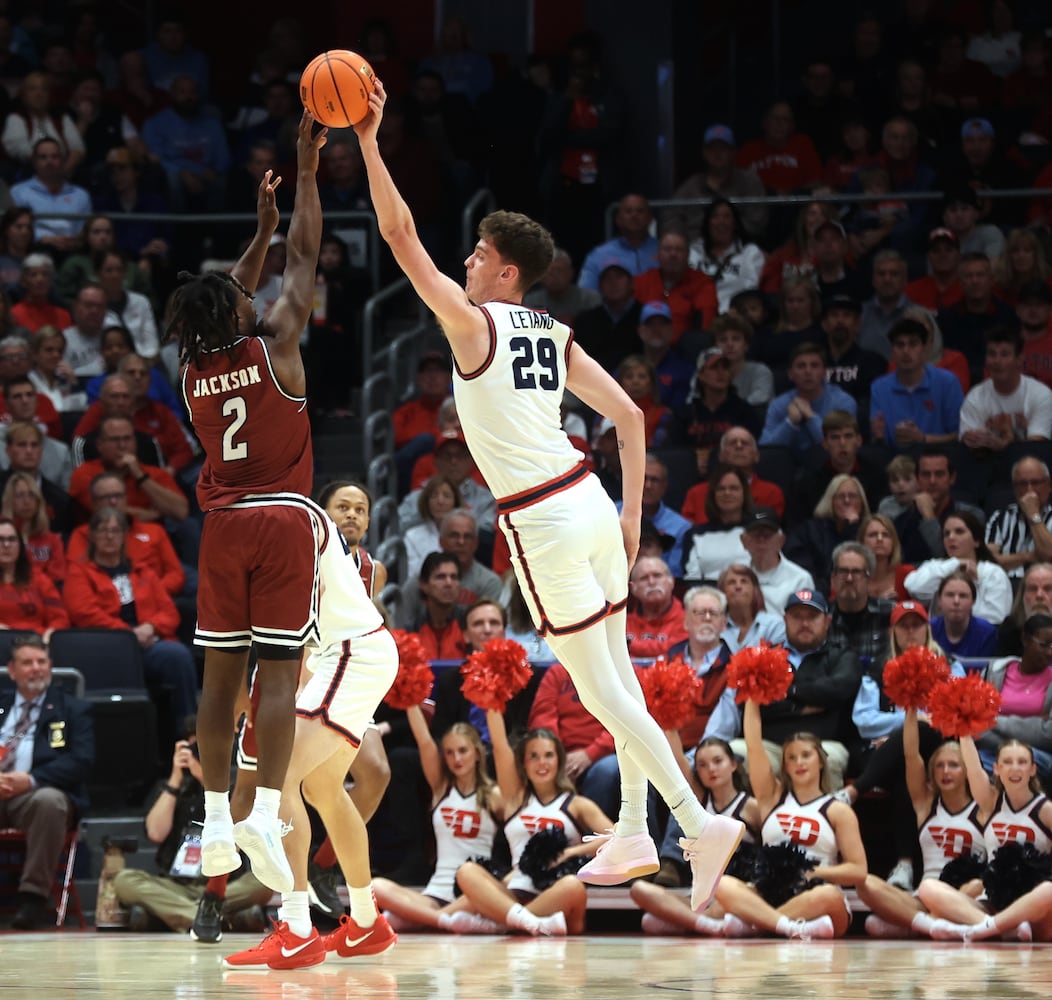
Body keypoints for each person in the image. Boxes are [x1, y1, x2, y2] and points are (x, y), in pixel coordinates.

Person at [357, 81, 744, 905]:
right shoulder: (554, 332)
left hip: (544, 519)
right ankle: (636, 831)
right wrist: (633, 515)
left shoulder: (471, 323)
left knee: (601, 689)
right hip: (595, 502)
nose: (461, 265)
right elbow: (633, 418)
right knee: (620, 680)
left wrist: (366, 139)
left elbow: (396, 231)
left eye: (472, 258)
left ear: (501, 270)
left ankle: (693, 818)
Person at [165, 112, 327, 894]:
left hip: (223, 526)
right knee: (281, 675)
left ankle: (216, 826)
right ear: (238, 313)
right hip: (284, 519)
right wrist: (304, 165)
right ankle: (263, 808)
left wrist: (253, 231)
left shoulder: (192, 373)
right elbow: (305, 256)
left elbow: (229, 290)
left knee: (219, 685)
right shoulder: (279, 342)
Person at [222, 476, 399, 970]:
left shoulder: (296, 522)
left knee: (281, 779)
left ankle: (297, 927)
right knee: (323, 787)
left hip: (350, 654)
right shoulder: (286, 531)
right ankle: (365, 921)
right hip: (349, 655)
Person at [710, 697, 867, 939]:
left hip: (814, 894)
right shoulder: (772, 798)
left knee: (828, 896)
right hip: (770, 891)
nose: (799, 762)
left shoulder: (837, 809)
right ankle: (787, 926)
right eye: (791, 758)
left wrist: (815, 873)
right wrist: (752, 696)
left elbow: (858, 871)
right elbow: (753, 746)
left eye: (806, 755)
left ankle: (758, 922)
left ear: (821, 762)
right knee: (723, 884)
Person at [452, 715, 609, 936]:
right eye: (533, 757)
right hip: (513, 896)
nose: (541, 763)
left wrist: (571, 852)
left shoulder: (577, 805)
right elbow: (499, 745)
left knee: (573, 886)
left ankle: (505, 925)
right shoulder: (515, 799)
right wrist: (491, 699)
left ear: (559, 760)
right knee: (467, 872)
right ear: (523, 764)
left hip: (555, 895)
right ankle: (528, 923)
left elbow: (618, 837)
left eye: (548, 755)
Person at [112, 723, 272, 939]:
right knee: (124, 880)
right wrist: (175, 779)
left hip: (224, 885)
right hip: (177, 886)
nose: (199, 754)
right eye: (195, 748)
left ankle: (181, 914)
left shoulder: (237, 786)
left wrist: (209, 779)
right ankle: (209, 916)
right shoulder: (171, 786)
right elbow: (155, 833)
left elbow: (237, 832)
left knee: (263, 882)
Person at [856, 706, 984, 938]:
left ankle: (918, 925)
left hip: (964, 896)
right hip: (924, 897)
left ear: (967, 771)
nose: (946, 772)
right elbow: (911, 756)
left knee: (975, 884)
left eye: (954, 765)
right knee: (866, 884)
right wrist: (911, 708)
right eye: (939, 766)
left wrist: (964, 725)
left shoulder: (982, 808)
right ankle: (935, 924)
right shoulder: (925, 804)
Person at [64, 507, 198, 723]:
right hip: (107, 647)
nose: (109, 536)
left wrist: (151, 627)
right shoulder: (80, 572)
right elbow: (84, 613)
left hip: (148, 644)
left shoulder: (143, 571)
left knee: (178, 656)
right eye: (103, 530)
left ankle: (188, 731)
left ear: (124, 536)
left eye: (116, 531)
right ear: (93, 536)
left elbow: (169, 612)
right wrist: (128, 635)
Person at [916, 736, 1052, 942]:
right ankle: (999, 928)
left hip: (1033, 908)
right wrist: (964, 730)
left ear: (1033, 769)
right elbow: (973, 768)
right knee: (928, 888)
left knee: (1048, 890)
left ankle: (984, 928)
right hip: (993, 901)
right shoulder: (990, 802)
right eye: (1007, 762)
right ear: (996, 768)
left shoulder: (1045, 810)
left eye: (1022, 762)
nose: (1014, 768)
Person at [373, 716, 501, 931]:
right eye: (449, 752)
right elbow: (424, 740)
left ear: (478, 753)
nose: (456, 758)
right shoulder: (441, 788)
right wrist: (410, 697)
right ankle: (442, 920)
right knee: (375, 887)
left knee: (487, 895)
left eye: (463, 750)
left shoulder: (495, 795)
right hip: (436, 893)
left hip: (472, 893)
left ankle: (417, 919)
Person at [0, 634, 93, 930]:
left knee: (49, 801)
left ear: (50, 667)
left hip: (35, 796)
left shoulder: (72, 709)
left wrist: (31, 779)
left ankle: (33, 899)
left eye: (42, 662)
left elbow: (82, 760)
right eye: (27, 662)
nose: (36, 668)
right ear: (12, 670)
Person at [634, 735, 760, 916]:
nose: (711, 769)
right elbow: (677, 758)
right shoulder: (699, 801)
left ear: (733, 764)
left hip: (739, 891)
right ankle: (704, 922)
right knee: (642, 895)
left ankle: (697, 921)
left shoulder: (752, 807)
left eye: (718, 761)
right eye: (702, 764)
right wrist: (669, 715)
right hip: (703, 894)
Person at [869, 318, 965, 451]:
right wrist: (878, 437)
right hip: (895, 462)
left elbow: (960, 436)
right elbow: (879, 441)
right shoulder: (879, 388)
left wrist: (923, 439)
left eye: (913, 344)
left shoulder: (948, 382)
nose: (906, 351)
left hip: (939, 459)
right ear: (892, 351)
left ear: (925, 349)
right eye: (900, 345)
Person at [978, 613, 1052, 781]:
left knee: (1007, 765)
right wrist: (1035, 723)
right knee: (963, 763)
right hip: (990, 751)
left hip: (1038, 755)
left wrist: (993, 720)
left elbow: (1048, 735)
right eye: (1044, 645)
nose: (1049, 652)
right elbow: (975, 726)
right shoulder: (993, 672)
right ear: (1025, 639)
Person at [904, 511, 1013, 625]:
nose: (951, 537)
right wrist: (954, 564)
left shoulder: (993, 573)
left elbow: (996, 617)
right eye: (946, 534)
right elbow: (914, 588)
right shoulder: (935, 566)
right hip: (936, 638)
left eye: (959, 532)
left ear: (976, 541)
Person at [960, 326, 1052, 450]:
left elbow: (1035, 448)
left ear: (1019, 360)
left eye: (1004, 354)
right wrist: (973, 439)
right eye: (992, 354)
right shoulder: (975, 397)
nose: (997, 361)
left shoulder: (1041, 394)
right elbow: (969, 446)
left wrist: (1001, 445)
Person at [759, 342, 857, 459]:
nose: (808, 371)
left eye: (814, 365)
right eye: (801, 366)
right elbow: (764, 449)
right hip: (790, 468)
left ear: (824, 373)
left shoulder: (843, 402)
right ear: (790, 374)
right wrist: (790, 423)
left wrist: (811, 417)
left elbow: (841, 446)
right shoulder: (779, 404)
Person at [784, 475, 871, 597]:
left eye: (852, 496)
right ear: (830, 501)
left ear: (862, 502)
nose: (847, 501)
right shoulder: (809, 530)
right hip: (817, 594)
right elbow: (801, 569)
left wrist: (852, 529)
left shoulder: (870, 531)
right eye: (841, 496)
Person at [687, 197, 765, 314]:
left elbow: (751, 291)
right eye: (715, 217)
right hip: (697, 315)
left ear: (735, 223)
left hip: (734, 317)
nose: (721, 222)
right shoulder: (693, 251)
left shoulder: (750, 253)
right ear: (708, 222)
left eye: (727, 217)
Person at [0, 515, 67, 639]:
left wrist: (49, 635)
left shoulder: (39, 579)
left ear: (20, 546)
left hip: (37, 644)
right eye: (1, 539)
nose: (6, 545)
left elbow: (59, 618)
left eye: (12, 539)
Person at [985, 456, 1052, 581]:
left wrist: (1033, 515)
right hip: (1004, 585)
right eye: (1022, 484)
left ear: (1049, 485)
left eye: (1036, 482)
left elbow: (1049, 556)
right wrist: (1028, 557)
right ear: (1014, 488)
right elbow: (989, 561)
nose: (1029, 489)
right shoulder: (1000, 517)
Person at [826, 541, 893, 665]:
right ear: (833, 578)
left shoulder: (890, 613)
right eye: (843, 571)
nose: (849, 579)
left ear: (869, 578)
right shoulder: (822, 616)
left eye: (856, 572)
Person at [681, 465, 750, 581]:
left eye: (734, 488)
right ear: (713, 494)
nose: (727, 493)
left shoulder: (757, 530)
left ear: (744, 493)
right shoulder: (695, 535)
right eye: (721, 489)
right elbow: (691, 578)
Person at [740, 508, 815, 614]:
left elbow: (803, 620)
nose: (761, 541)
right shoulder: (736, 575)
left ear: (781, 540)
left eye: (767, 535)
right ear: (744, 541)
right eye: (755, 535)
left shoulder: (800, 579)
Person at [577, 193, 658, 290]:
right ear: (618, 219)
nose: (634, 215)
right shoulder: (598, 255)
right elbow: (586, 295)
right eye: (628, 211)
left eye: (640, 211)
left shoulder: (664, 251)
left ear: (650, 218)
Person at [1, 472, 65, 586]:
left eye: (31, 495)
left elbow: (57, 580)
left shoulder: (52, 540)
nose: (26, 501)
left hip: (42, 596)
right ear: (10, 500)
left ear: (38, 501)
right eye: (19, 495)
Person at [625, 555, 687, 658]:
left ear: (671, 581)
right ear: (633, 589)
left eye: (657, 576)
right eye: (644, 578)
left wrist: (630, 645)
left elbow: (677, 649)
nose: (651, 582)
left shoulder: (687, 621)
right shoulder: (622, 624)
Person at [718, 562, 786, 653]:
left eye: (744, 581)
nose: (738, 586)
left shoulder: (774, 625)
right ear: (722, 592)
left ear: (755, 590)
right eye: (731, 582)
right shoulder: (714, 627)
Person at [931, 569, 998, 660]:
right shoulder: (929, 629)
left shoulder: (987, 633)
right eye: (950, 595)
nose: (956, 601)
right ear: (939, 600)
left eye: (963, 596)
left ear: (973, 601)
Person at [859, 513, 914, 602]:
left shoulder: (907, 575)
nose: (880, 539)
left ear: (893, 543)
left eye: (885, 535)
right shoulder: (851, 574)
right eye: (873, 535)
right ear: (862, 542)